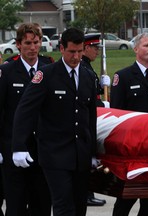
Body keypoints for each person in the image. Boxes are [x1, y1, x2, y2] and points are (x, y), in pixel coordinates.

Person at [11, 27, 97, 216]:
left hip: (80, 155)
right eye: (72, 51)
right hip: (55, 154)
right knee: (63, 205)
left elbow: (90, 117)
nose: (76, 56)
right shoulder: (46, 75)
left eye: (80, 51)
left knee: (79, 206)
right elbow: (25, 111)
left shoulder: (88, 77)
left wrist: (92, 152)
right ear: (61, 49)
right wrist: (18, 146)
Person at [0, 23, 51, 216]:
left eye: (36, 42)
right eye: (27, 43)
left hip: (43, 148)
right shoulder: (6, 72)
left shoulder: (49, 69)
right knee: (16, 205)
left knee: (42, 203)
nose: (32, 47)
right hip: (13, 148)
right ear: (18, 45)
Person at [110, 33, 148, 216]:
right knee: (126, 196)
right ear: (136, 49)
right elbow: (117, 113)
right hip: (132, 148)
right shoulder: (123, 77)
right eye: (146, 45)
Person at [82, 34, 110, 206]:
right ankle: (86, 194)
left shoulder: (88, 68)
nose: (97, 51)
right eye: (95, 48)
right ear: (86, 48)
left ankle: (89, 193)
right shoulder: (85, 68)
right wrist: (102, 103)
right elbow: (89, 98)